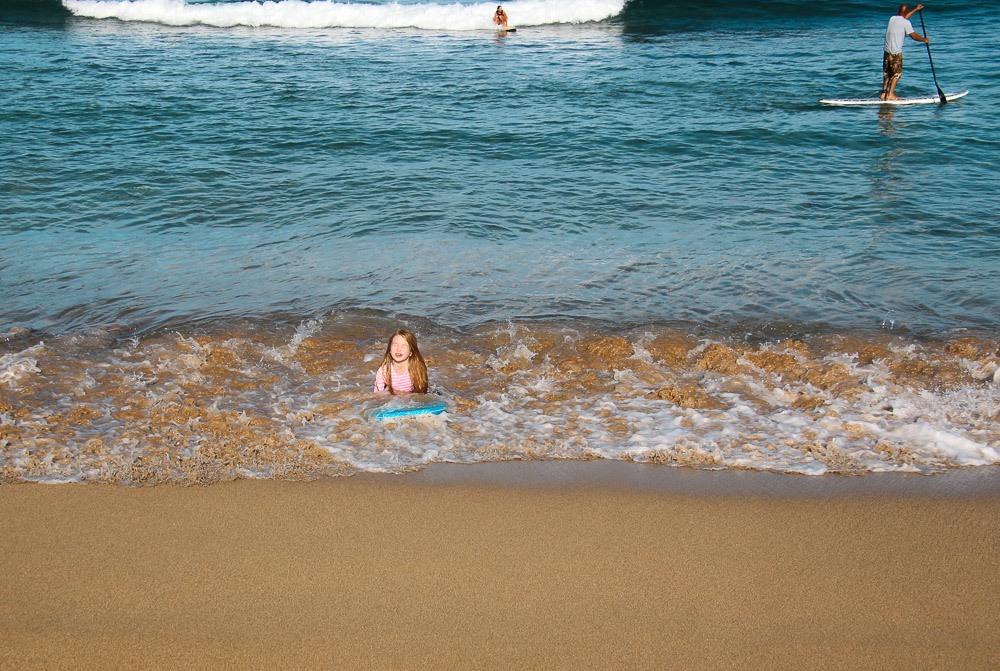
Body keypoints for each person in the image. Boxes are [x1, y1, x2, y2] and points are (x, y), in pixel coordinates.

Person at [881, 4, 929, 100]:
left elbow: (903, 18)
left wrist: (915, 9)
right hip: (896, 52)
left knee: (887, 73)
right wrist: (924, 39)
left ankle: (884, 94)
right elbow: (914, 36)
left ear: (898, 12)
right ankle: (890, 95)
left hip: (887, 51)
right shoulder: (906, 23)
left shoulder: (892, 19)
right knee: (896, 74)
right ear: (906, 12)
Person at [373, 329, 429, 395]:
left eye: (404, 346)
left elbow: (421, 393)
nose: (398, 349)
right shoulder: (383, 371)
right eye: (395, 345)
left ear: (411, 352)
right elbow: (378, 397)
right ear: (390, 350)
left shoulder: (417, 369)